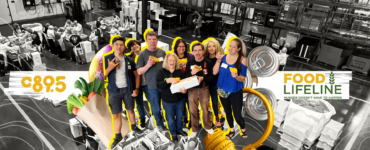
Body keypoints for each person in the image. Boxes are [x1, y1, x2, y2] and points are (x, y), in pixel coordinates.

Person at [103, 36, 143, 149]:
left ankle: (134, 127)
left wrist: (136, 89)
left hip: (127, 90)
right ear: (113, 46)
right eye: (117, 44)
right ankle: (118, 136)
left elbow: (136, 75)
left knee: (130, 110)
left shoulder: (129, 60)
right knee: (116, 114)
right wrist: (110, 67)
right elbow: (103, 76)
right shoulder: (108, 58)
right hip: (113, 91)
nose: (119, 47)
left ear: (124, 46)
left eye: (121, 45)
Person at [213, 38, 248, 140]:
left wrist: (236, 76)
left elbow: (242, 78)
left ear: (238, 49)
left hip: (235, 90)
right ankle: (231, 130)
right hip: (222, 89)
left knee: (237, 115)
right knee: (227, 112)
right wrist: (218, 60)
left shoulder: (242, 60)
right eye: (230, 46)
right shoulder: (223, 58)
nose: (231, 48)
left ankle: (243, 128)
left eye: (233, 47)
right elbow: (215, 72)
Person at [136, 31, 167, 131]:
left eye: (154, 39)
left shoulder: (162, 52)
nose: (152, 41)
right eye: (150, 39)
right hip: (152, 86)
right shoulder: (143, 54)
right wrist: (148, 65)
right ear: (146, 41)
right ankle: (159, 125)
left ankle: (168, 121)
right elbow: (139, 71)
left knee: (168, 105)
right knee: (156, 107)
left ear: (157, 40)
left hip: (164, 85)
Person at [185, 42, 214, 137]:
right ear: (192, 52)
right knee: (193, 111)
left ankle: (207, 126)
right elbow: (186, 78)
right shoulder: (190, 62)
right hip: (192, 90)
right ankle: (194, 128)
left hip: (204, 89)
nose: (197, 52)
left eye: (199, 50)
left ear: (203, 51)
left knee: (205, 110)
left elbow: (212, 78)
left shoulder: (208, 63)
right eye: (195, 50)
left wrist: (203, 78)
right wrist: (192, 73)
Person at [156, 53, 188, 142]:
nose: (172, 62)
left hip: (179, 99)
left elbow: (184, 84)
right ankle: (173, 133)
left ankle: (179, 130)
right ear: (166, 61)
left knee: (179, 116)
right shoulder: (161, 71)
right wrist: (168, 81)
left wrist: (184, 90)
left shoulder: (180, 72)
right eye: (170, 60)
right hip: (167, 100)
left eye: (174, 60)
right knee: (170, 118)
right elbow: (158, 85)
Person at [203, 39, 224, 128]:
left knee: (224, 99)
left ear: (216, 47)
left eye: (213, 46)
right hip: (211, 84)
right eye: (209, 46)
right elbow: (211, 72)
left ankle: (223, 114)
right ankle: (217, 118)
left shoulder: (222, 58)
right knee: (214, 101)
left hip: (221, 83)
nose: (211, 48)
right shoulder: (205, 59)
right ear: (206, 49)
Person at [173, 39, 194, 126]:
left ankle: (192, 120)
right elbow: (169, 71)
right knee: (181, 103)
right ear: (176, 47)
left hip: (189, 83)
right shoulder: (173, 57)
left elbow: (195, 68)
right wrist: (177, 66)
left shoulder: (190, 56)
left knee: (191, 104)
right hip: (179, 85)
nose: (181, 48)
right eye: (179, 46)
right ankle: (184, 118)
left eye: (183, 46)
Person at [126, 39, 146, 128]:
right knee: (139, 103)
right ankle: (142, 119)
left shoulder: (146, 54)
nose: (134, 46)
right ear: (130, 48)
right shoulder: (130, 58)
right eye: (132, 46)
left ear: (139, 45)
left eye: (136, 44)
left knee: (153, 101)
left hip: (147, 83)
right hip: (136, 85)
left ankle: (155, 117)